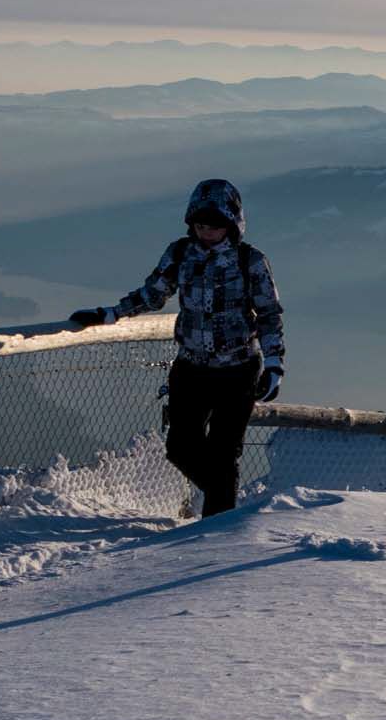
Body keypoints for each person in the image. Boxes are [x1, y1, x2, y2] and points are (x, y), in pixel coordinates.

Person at [68, 176, 282, 518]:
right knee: (181, 448)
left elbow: (269, 314)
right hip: (191, 368)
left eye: (214, 226)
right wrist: (110, 314)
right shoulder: (180, 253)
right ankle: (224, 507)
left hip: (238, 370)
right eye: (200, 224)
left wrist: (274, 363)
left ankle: (217, 531)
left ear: (232, 224)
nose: (207, 232)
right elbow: (153, 294)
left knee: (224, 453)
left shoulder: (250, 261)